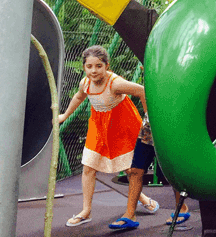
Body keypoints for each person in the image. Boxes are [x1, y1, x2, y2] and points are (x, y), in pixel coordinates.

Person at [58, 45, 155, 228]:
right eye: (89, 66)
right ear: (84, 67)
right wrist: (64, 115)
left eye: (98, 66)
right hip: (98, 125)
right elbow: (79, 97)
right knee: (89, 166)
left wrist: (149, 118)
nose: (93, 70)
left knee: (128, 168)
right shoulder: (85, 83)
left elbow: (142, 91)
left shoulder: (115, 83)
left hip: (121, 125)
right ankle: (86, 211)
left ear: (107, 66)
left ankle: (142, 198)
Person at [108, 110, 191, 230]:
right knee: (136, 170)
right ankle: (129, 215)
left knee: (172, 171)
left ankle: (182, 208)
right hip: (148, 129)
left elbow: (140, 92)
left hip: (169, 126)